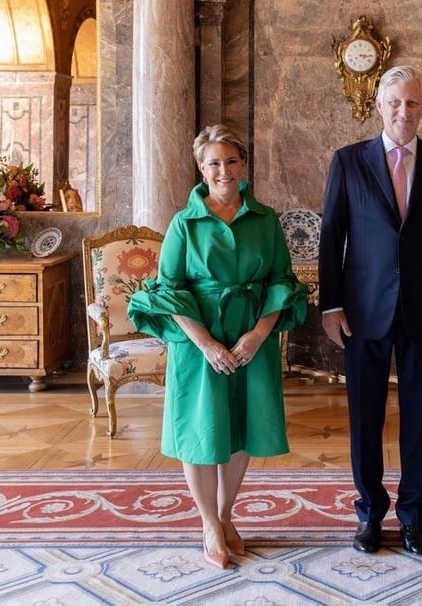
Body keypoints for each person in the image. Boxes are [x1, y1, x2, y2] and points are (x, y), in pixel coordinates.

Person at [127, 124, 308, 570]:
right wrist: (206, 343)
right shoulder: (183, 223)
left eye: (231, 161)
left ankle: (227, 516)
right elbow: (167, 290)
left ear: (243, 165)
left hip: (252, 336)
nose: (223, 170)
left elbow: (282, 282)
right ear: (200, 168)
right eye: (214, 163)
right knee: (200, 431)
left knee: (242, 429)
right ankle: (208, 521)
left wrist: (259, 334)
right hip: (198, 339)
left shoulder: (266, 219)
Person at [318, 64, 422, 556]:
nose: (405, 111)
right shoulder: (348, 161)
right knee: (365, 417)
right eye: (396, 102)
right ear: (379, 106)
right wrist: (331, 304)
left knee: (420, 417)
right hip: (363, 311)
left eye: (413, 103)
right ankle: (369, 515)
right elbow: (331, 237)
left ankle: (412, 517)